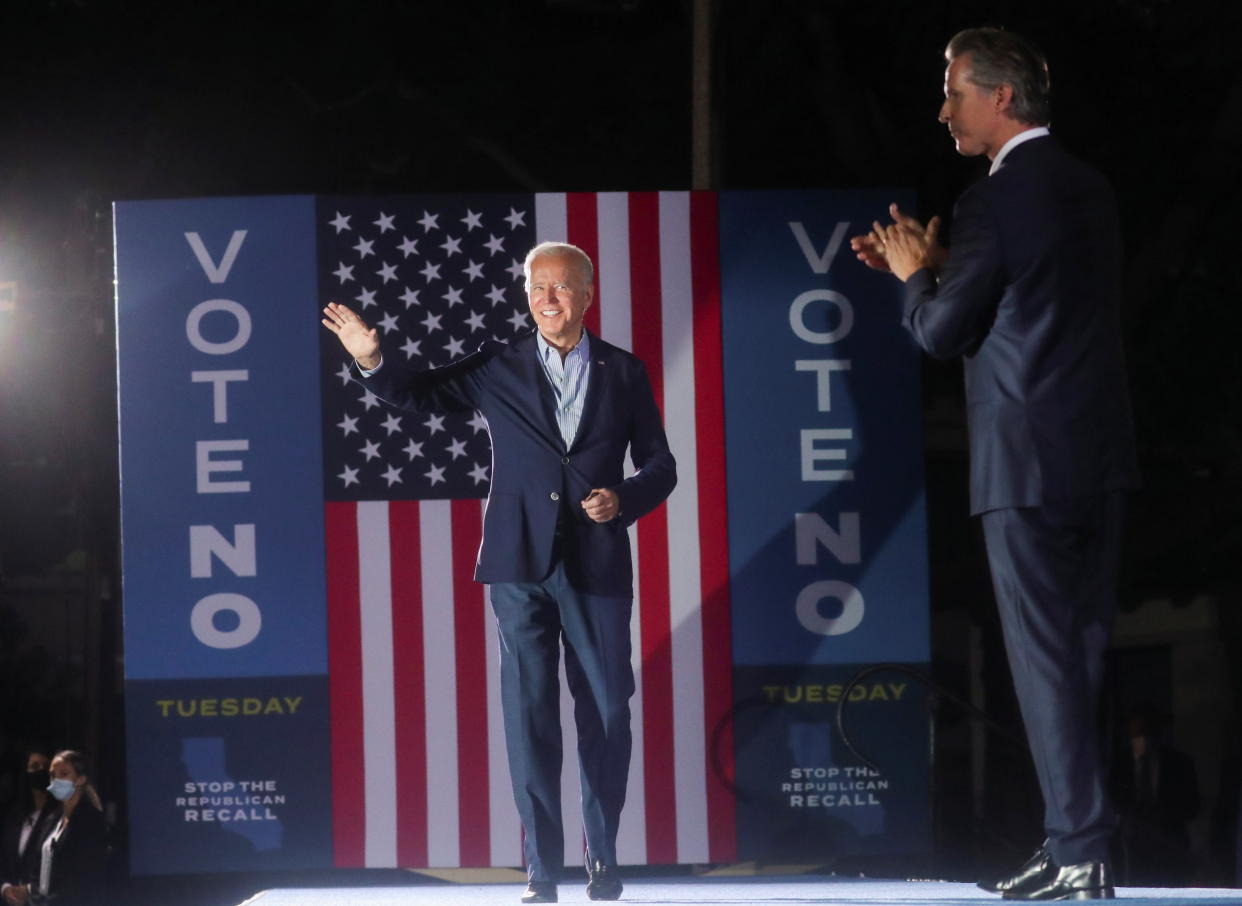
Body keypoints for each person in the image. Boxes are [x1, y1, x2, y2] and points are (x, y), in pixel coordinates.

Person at [852, 26, 1140, 901]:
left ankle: (1079, 846)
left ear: (1001, 98)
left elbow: (943, 333)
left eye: (954, 93)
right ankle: (1078, 841)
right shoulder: (1089, 188)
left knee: (1046, 660)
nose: (944, 111)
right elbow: (1037, 291)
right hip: (1102, 457)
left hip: (1026, 466)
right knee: (1081, 656)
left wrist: (914, 276)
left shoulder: (993, 198)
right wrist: (950, 263)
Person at [323, 241, 677, 904]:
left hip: (597, 566)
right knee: (529, 714)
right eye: (538, 288)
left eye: (562, 288)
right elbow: (419, 394)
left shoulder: (625, 373)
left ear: (587, 294)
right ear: (526, 296)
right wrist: (370, 357)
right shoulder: (498, 366)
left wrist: (623, 498)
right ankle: (541, 872)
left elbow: (662, 465)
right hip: (518, 565)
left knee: (608, 712)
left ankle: (603, 856)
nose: (548, 299)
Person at [5, 750, 107, 906]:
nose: (56, 779)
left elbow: (84, 878)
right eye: (53, 775)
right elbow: (40, 872)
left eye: (63, 774)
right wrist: (30, 892)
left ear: (80, 779)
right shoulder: (51, 820)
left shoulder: (91, 821)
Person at [1, 749, 57, 904]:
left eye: (45, 766)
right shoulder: (13, 816)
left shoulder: (58, 817)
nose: (40, 771)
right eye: (34, 766)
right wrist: (5, 888)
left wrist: (29, 891)